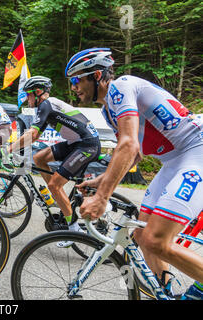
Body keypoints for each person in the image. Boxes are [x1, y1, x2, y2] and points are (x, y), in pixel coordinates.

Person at [68, 47, 203, 299]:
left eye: (77, 80)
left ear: (97, 76)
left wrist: (102, 197)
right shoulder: (108, 110)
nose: (74, 87)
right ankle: (168, 294)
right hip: (173, 160)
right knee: (141, 236)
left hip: (196, 151)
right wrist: (102, 179)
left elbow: (128, 145)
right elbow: (133, 153)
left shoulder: (120, 87)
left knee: (155, 240)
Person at [3, 76, 101, 246]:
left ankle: (73, 230)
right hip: (76, 143)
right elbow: (35, 136)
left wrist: (9, 148)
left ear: (38, 92)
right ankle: (56, 197)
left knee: (54, 184)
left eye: (29, 95)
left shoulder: (46, 105)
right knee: (39, 158)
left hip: (86, 145)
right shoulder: (47, 106)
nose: (27, 99)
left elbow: (32, 135)